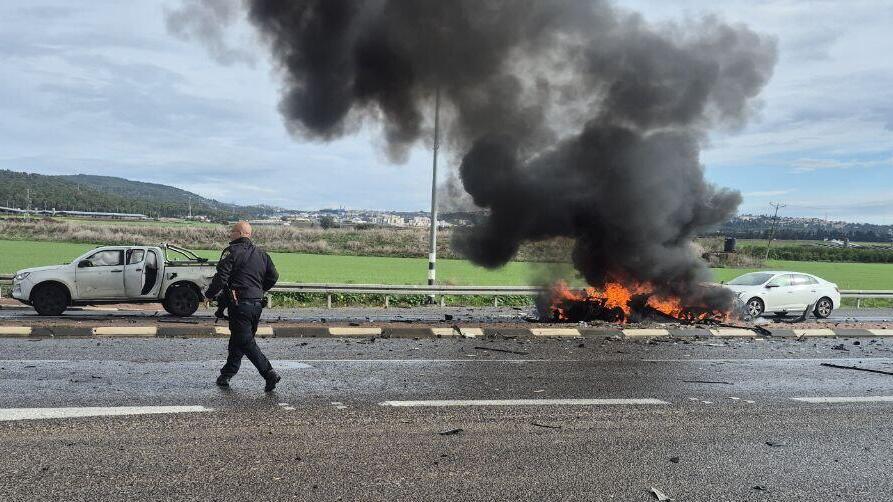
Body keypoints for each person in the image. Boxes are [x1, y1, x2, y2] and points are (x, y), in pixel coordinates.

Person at [205, 221, 281, 391]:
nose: (230, 234)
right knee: (239, 339)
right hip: (256, 305)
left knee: (245, 341)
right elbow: (274, 276)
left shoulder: (231, 252)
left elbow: (221, 277)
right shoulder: (262, 254)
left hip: (240, 304)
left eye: (232, 231)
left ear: (239, 233)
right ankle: (226, 374)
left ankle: (269, 373)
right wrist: (259, 290)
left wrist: (208, 295)